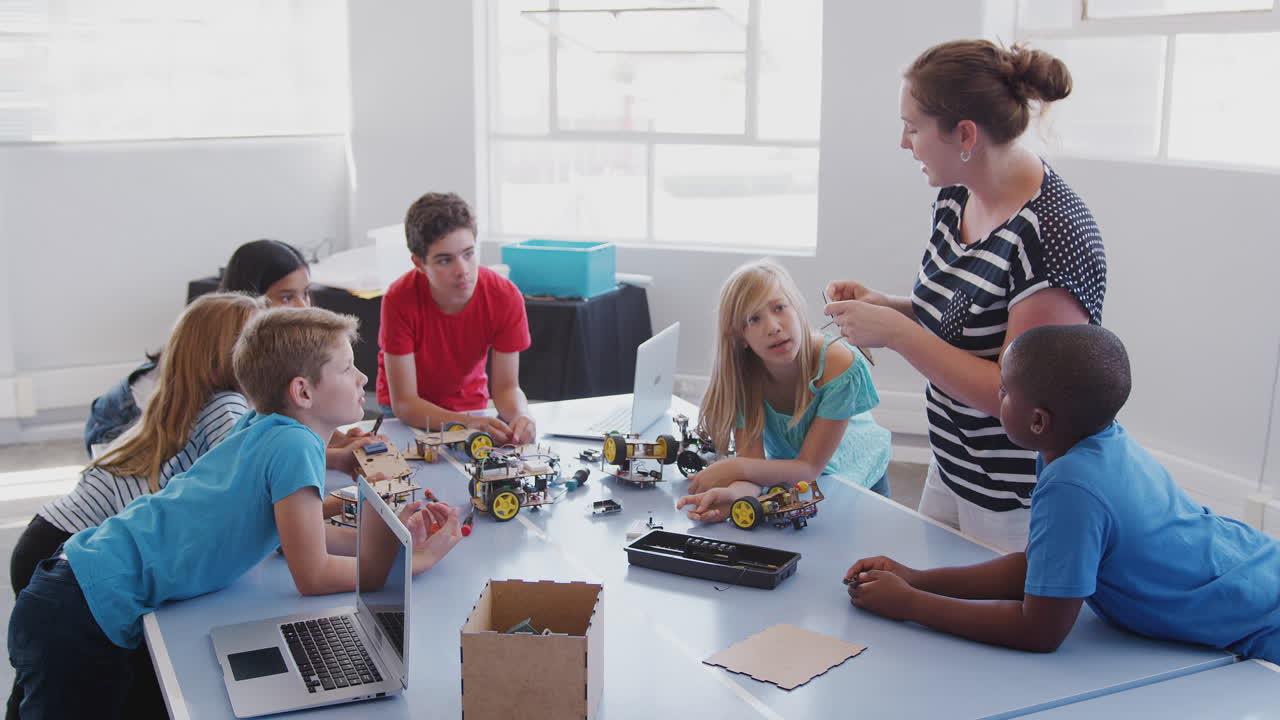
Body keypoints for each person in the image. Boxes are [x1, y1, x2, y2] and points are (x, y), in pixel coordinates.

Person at [8, 307, 463, 719]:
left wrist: (391, 539)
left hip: (71, 588)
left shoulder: (265, 421)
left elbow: (305, 537)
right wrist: (413, 564)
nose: (363, 377)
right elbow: (313, 574)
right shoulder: (295, 444)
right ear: (302, 390)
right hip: (80, 611)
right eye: (347, 368)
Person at [844, 325, 1280, 662]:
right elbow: (1040, 569)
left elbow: (1039, 631)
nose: (997, 393)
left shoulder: (1073, 484)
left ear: (1038, 421)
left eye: (1005, 389)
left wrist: (911, 604)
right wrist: (915, 578)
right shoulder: (1088, 444)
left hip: (1263, 620)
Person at [823, 40, 1107, 553]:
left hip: (1015, 496)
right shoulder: (957, 194)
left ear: (966, 135)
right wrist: (889, 307)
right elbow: (964, 317)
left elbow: (1017, 396)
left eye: (912, 126)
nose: (903, 142)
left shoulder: (1051, 237)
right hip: (954, 463)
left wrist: (898, 334)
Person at [675, 260, 892, 524]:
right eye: (753, 319)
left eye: (779, 308)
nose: (773, 327)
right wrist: (733, 496)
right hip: (793, 475)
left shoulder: (839, 364)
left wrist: (734, 467)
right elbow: (753, 470)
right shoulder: (743, 376)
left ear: (797, 307)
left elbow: (809, 468)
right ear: (740, 337)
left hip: (858, 476)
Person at [82, 239, 312, 455]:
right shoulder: (224, 365)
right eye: (286, 298)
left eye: (306, 294)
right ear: (250, 301)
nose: (303, 308)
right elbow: (242, 456)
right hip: (122, 425)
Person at [376, 192, 535, 445]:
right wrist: (468, 423)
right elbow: (405, 403)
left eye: (468, 254)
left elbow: (506, 389)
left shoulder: (504, 295)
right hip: (409, 413)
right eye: (445, 260)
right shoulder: (399, 298)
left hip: (470, 407)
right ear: (419, 263)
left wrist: (521, 416)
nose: (462, 270)